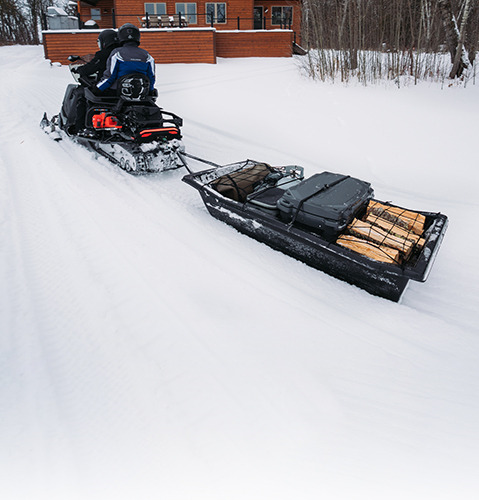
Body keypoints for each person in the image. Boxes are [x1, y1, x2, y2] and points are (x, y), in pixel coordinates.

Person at [69, 29, 119, 133]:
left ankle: (79, 127)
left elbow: (91, 68)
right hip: (121, 89)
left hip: (106, 88)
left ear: (105, 41)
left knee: (82, 96)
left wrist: (79, 70)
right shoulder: (122, 53)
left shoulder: (104, 54)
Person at [96, 23, 155, 93]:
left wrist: (98, 88)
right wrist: (150, 90)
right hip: (141, 92)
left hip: (117, 92)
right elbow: (151, 77)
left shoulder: (117, 53)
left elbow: (110, 76)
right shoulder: (146, 55)